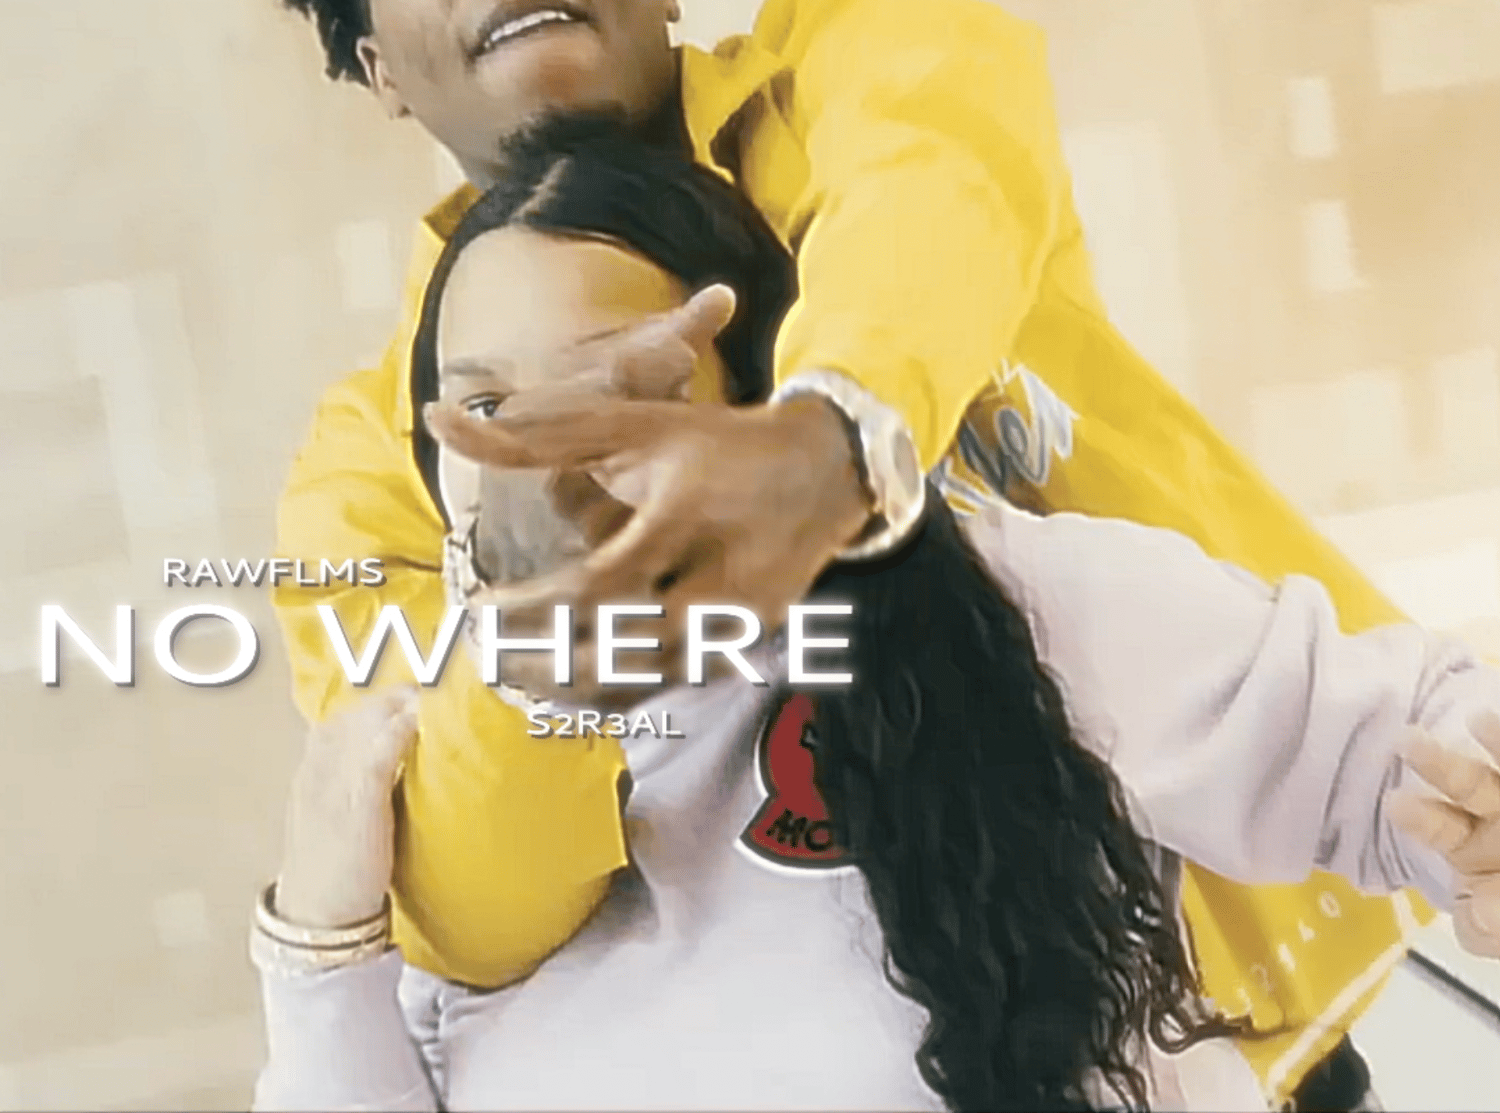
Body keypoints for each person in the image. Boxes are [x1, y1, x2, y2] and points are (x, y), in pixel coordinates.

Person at [268, 0, 1439, 1105]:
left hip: (1214, 965)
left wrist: (832, 437)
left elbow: (936, 184)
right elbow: (466, 906)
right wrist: (543, 612)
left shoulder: (851, 66)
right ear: (379, 69)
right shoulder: (371, 464)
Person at [250, 126, 1500, 1113]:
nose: (546, 455)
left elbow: (1409, 748)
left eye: (617, 381)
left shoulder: (995, 601)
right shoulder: (424, 780)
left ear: (751, 395)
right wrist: (318, 940)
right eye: (484, 409)